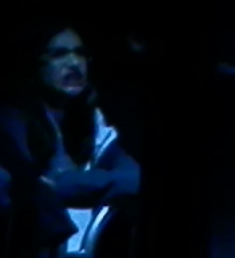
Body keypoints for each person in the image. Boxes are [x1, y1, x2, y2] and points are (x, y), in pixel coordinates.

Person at [0, 25, 141, 257]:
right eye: (59, 54)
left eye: (80, 53)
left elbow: (133, 179)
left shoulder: (99, 121)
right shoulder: (13, 119)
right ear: (35, 65)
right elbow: (22, 185)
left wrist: (61, 185)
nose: (74, 63)